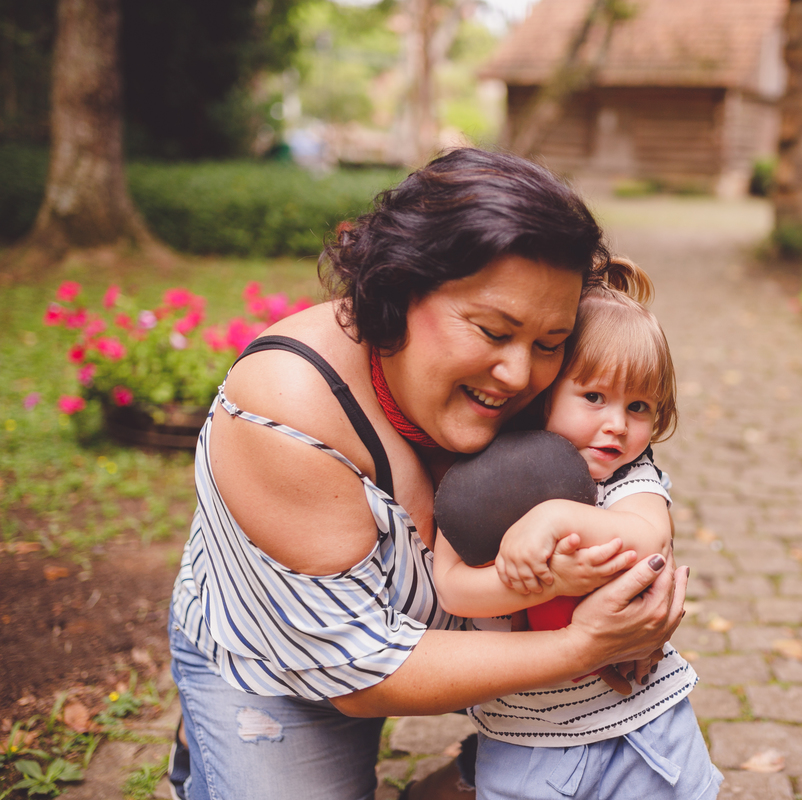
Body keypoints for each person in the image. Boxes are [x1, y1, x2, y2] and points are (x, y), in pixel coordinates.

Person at [166, 148, 687, 800]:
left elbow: (630, 472)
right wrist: (585, 646)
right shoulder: (287, 409)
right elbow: (360, 673)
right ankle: (206, 730)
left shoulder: (550, 367)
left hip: (468, 624)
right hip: (302, 656)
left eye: (549, 343)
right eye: (492, 331)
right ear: (400, 287)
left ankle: (474, 775)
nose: (520, 375)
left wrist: (623, 595)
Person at [431, 259, 723, 800]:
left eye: (639, 407)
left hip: (642, 726)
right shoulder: (485, 477)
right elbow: (452, 586)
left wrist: (556, 517)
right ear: (544, 392)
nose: (617, 424)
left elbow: (649, 537)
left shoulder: (629, 479)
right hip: (526, 738)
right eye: (594, 397)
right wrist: (548, 583)